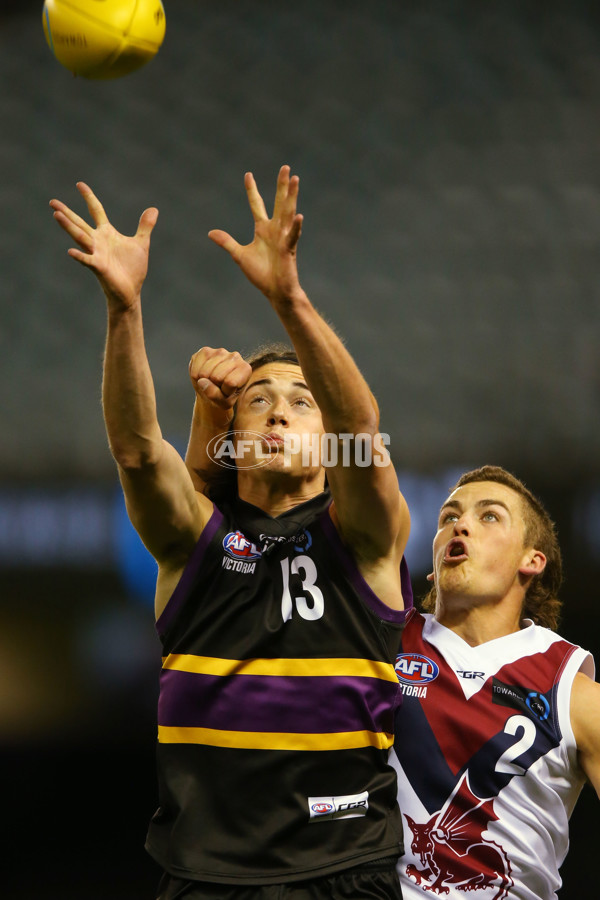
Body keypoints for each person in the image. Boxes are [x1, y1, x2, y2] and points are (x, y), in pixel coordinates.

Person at [49, 166, 412, 899]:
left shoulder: (367, 537)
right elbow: (137, 450)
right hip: (203, 876)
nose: (278, 412)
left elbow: (362, 430)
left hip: (345, 870)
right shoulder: (196, 542)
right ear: (232, 436)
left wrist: (289, 300)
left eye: (301, 402)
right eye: (259, 400)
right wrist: (125, 311)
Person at [390, 465, 600, 900]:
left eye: (489, 516)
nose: (460, 524)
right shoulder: (385, 643)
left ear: (532, 560)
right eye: (449, 517)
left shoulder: (571, 691)